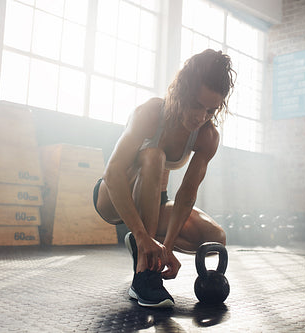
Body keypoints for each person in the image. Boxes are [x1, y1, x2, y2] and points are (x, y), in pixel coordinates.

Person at [93, 49, 236, 307]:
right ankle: (145, 277)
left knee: (214, 237)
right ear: (182, 92)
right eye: (196, 105)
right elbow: (112, 173)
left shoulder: (208, 136)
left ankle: (146, 248)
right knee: (154, 156)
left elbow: (186, 195)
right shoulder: (150, 113)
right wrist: (141, 235)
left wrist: (167, 247)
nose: (201, 117)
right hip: (113, 196)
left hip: (154, 204)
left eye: (210, 111)